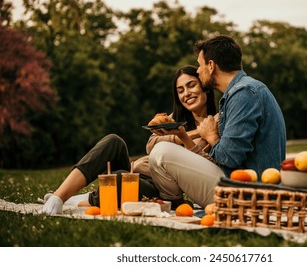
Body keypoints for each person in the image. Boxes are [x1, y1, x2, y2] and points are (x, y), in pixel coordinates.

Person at [42, 65, 217, 215]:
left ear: (205, 87)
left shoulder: (216, 125)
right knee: (113, 141)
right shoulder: (175, 119)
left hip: (161, 189)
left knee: (120, 179)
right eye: (180, 90)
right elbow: (151, 145)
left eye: (191, 85)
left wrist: (186, 136)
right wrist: (189, 134)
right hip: (139, 171)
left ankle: (78, 200)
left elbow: (204, 169)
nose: (186, 93)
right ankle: (59, 196)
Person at [148, 35, 286, 208]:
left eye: (200, 64)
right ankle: (178, 206)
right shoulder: (243, 91)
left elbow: (228, 158)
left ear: (211, 66)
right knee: (161, 150)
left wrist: (212, 136)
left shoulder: (244, 93)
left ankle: (175, 207)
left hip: (250, 195)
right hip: (246, 186)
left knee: (162, 153)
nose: (198, 71)